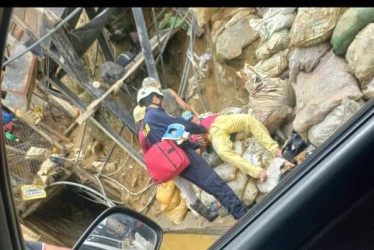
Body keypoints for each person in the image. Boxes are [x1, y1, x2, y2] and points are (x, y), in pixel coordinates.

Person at [137, 85, 247, 220]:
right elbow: (180, 126)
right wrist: (200, 128)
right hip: (186, 158)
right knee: (215, 183)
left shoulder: (146, 126)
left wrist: (192, 144)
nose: (162, 101)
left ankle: (238, 214)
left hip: (178, 163)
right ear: (154, 99)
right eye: (160, 98)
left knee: (211, 187)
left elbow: (171, 138)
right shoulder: (155, 115)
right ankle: (243, 214)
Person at [133, 105, 218, 222]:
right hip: (177, 155)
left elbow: (147, 154)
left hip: (167, 165)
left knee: (186, 189)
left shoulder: (141, 135)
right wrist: (193, 144)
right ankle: (214, 204)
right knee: (199, 176)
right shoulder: (155, 123)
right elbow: (174, 134)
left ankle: (208, 214)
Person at [181, 111, 284, 183]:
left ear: (196, 115)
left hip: (220, 121)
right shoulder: (192, 136)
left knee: (248, 118)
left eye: (192, 117)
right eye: (189, 121)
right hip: (213, 134)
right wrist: (202, 145)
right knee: (223, 152)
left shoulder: (206, 116)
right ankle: (257, 172)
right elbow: (198, 153)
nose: (193, 121)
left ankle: (274, 149)